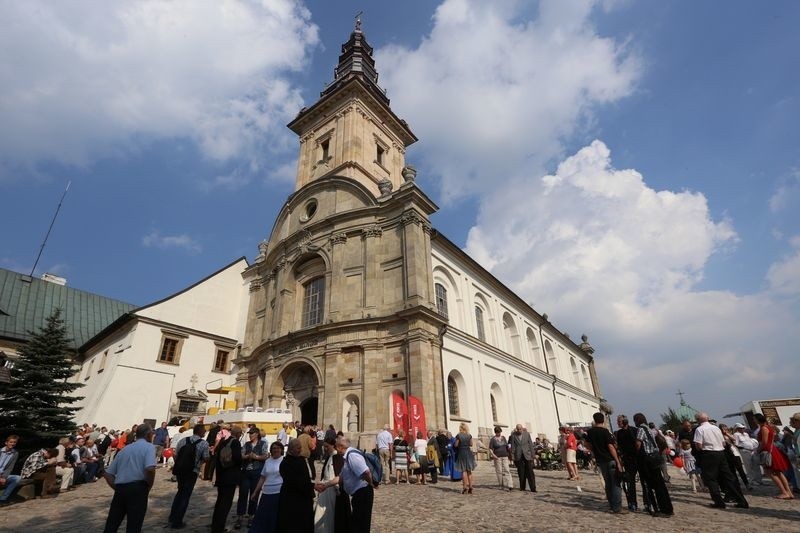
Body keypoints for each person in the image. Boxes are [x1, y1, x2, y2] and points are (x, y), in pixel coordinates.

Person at [102, 424, 156, 533]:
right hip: (138, 488)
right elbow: (150, 469)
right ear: (149, 435)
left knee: (112, 523)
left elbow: (108, 474)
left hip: (121, 489)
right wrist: (149, 486)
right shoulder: (149, 447)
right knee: (134, 525)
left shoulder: (124, 450)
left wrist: (117, 487)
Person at [693, 413, 748, 509]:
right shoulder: (716, 428)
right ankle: (741, 500)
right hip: (721, 453)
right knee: (729, 477)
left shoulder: (699, 429)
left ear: (698, 420)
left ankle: (719, 502)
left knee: (711, 479)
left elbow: (699, 446)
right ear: (708, 418)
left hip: (708, 454)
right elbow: (723, 443)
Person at [167, 424, 210, 530]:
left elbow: (175, 454)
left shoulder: (183, 441)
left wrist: (180, 464)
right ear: (200, 432)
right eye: (204, 431)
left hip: (181, 471)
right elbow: (206, 457)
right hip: (192, 472)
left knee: (179, 492)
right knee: (185, 496)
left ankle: (172, 517)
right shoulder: (204, 443)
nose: (205, 432)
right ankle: (178, 521)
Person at [585, 412, 626, 514]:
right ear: (603, 420)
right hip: (609, 459)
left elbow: (586, 443)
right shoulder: (605, 431)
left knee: (608, 484)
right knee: (616, 484)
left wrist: (594, 450)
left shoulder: (590, 432)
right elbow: (611, 447)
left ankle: (612, 504)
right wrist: (617, 461)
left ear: (594, 420)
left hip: (600, 460)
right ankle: (617, 507)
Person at [633, 413, 673, 517]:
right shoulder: (649, 429)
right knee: (660, 484)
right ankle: (668, 508)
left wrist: (636, 453)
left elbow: (638, 444)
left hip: (649, 458)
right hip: (655, 457)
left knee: (656, 485)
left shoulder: (641, 429)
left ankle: (663, 509)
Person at [336, 435, 374, 533]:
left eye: (336, 446)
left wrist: (370, 483)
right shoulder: (347, 456)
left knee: (360, 524)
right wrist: (326, 485)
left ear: (341, 446)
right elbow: (341, 478)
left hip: (363, 492)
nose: (336, 449)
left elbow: (366, 472)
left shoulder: (352, 455)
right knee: (358, 523)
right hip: (358, 494)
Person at [277, 438, 315, 532]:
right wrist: (312, 486)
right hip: (291, 499)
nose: (300, 450)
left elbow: (305, 478)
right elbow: (294, 482)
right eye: (298, 448)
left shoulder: (301, 460)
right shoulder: (285, 463)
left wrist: (311, 491)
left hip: (304, 498)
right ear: (291, 448)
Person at [314, 436, 351, 533]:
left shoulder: (337, 457)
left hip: (332, 489)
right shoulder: (330, 457)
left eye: (327, 446)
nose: (325, 449)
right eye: (324, 447)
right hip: (326, 489)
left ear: (332, 446)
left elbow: (338, 474)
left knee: (330, 514)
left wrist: (334, 487)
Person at [211, 425, 243, 533]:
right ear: (238, 434)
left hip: (221, 477)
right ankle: (219, 528)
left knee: (219, 502)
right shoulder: (235, 442)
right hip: (230, 477)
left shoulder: (224, 441)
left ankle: (215, 525)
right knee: (225, 504)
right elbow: (237, 458)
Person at [754, 413, 793, 499]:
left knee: (770, 472)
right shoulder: (768, 427)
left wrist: (758, 450)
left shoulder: (764, 428)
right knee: (779, 472)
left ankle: (784, 492)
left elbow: (764, 442)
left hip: (767, 451)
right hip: (772, 450)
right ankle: (788, 492)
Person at [235, 427, 267, 529]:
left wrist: (256, 457)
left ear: (257, 434)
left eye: (252, 433)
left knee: (254, 495)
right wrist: (248, 456)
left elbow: (265, 456)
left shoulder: (263, 444)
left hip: (257, 472)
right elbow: (241, 455)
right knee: (243, 495)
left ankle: (251, 516)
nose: (250, 435)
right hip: (245, 472)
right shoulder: (246, 444)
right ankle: (240, 516)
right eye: (249, 433)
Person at [249, 441, 284, 533]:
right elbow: (262, 477)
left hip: (279, 492)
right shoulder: (268, 461)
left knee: (275, 516)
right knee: (263, 515)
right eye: (274, 448)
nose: (276, 450)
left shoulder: (284, 461)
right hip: (266, 492)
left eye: (278, 448)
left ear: (281, 449)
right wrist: (256, 492)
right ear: (271, 450)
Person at [615, 415, 640, 512]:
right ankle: (632, 502)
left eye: (619, 421)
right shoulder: (619, 433)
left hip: (637, 458)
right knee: (630, 482)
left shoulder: (634, 430)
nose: (618, 423)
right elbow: (619, 446)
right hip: (627, 460)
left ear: (625, 421)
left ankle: (647, 503)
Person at [508, 424, 535, 492]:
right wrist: (513, 456)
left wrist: (533, 454)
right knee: (521, 471)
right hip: (518, 455)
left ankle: (533, 488)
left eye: (520, 429)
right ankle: (522, 487)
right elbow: (513, 446)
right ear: (516, 429)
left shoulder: (527, 434)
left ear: (522, 429)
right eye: (518, 429)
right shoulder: (513, 435)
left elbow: (530, 444)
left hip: (527, 454)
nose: (519, 430)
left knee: (530, 472)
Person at [454, 422, 476, 494]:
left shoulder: (459, 435)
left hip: (462, 453)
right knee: (469, 471)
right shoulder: (469, 435)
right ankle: (471, 486)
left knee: (463, 471)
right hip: (468, 453)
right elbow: (471, 444)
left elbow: (456, 445)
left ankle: (465, 487)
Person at [489, 426, 513, 491]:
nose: (499, 434)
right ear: (495, 432)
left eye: (499, 432)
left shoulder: (503, 438)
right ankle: (501, 484)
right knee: (499, 471)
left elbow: (507, 445)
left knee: (507, 470)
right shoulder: (493, 439)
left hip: (505, 456)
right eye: (497, 432)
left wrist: (509, 450)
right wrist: (493, 455)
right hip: (497, 457)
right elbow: (490, 448)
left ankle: (510, 485)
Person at [0, 435, 20, 503]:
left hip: (3, 475)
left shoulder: (15, 453)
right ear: (6, 443)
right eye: (11, 442)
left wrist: (4, 477)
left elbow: (10, 467)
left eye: (14, 442)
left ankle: (3, 499)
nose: (12, 444)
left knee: (17, 478)